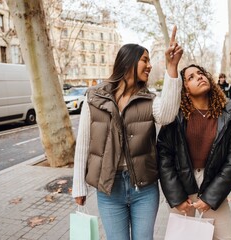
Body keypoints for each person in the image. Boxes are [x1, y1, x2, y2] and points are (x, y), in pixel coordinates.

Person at [72, 26, 183, 240]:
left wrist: (172, 67)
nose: (149, 65)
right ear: (129, 62)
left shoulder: (148, 99)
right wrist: (79, 186)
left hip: (144, 188)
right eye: (145, 60)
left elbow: (167, 115)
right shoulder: (94, 97)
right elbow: (84, 144)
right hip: (109, 188)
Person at [157, 64, 231, 240]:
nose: (199, 77)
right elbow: (164, 156)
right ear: (185, 90)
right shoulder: (175, 115)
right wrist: (176, 197)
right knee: (182, 237)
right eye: (190, 77)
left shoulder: (228, 113)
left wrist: (211, 197)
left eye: (200, 73)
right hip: (182, 181)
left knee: (226, 237)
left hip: (213, 180)